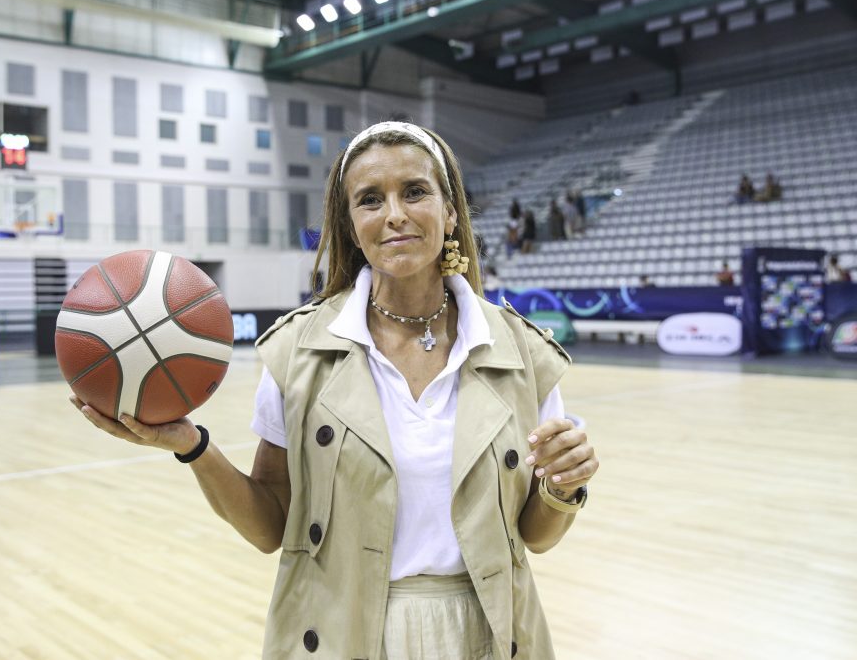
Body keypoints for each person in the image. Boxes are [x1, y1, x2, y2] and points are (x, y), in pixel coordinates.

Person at [71, 121, 599, 659]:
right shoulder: (298, 351)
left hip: (489, 631)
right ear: (351, 225)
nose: (394, 213)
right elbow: (268, 527)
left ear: (450, 211)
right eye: (370, 200)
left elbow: (535, 537)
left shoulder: (518, 351)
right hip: (341, 630)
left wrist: (563, 486)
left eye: (414, 191)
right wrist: (192, 446)